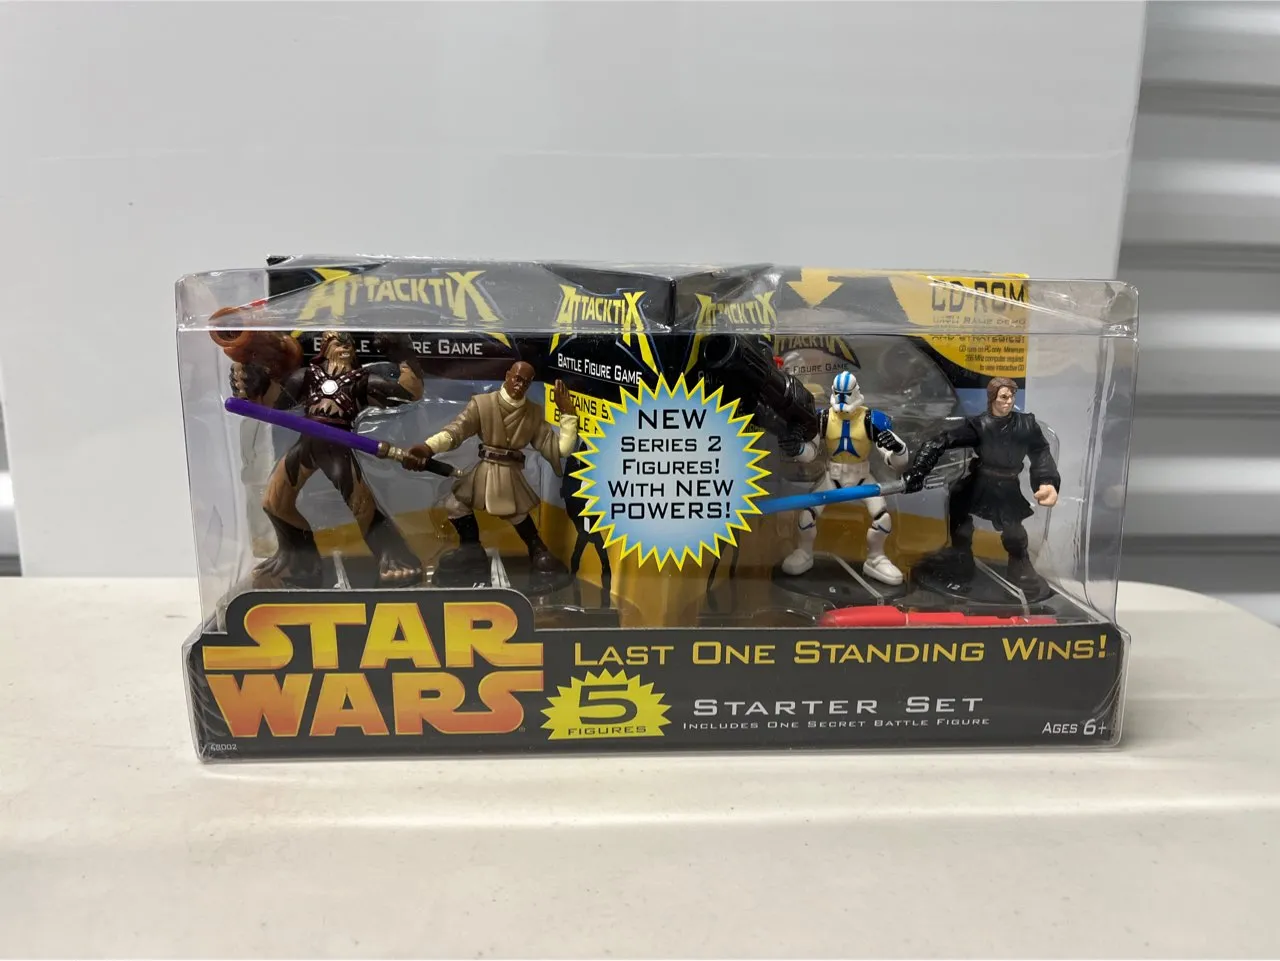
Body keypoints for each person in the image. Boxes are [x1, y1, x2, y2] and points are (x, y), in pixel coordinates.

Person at [232, 330, 425, 587]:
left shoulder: (362, 380)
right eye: (337, 343)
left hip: (338, 445)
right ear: (325, 348)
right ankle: (299, 563)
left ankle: (396, 559)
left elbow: (408, 393)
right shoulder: (307, 376)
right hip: (308, 442)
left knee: (362, 507)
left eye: (349, 344)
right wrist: (253, 383)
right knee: (273, 501)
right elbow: (275, 404)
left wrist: (403, 355)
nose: (345, 347)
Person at [404, 362, 578, 573]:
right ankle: (471, 549)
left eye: (526, 383)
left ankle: (538, 549)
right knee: (455, 504)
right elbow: (456, 431)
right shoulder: (482, 404)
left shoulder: (533, 413)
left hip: (508, 471)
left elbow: (560, 449)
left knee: (516, 512)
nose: (520, 385)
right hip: (485, 468)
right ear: (507, 376)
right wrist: (428, 447)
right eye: (517, 379)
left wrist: (568, 415)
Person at [903, 376, 1059, 592]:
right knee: (958, 504)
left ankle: (1020, 561)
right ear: (992, 398)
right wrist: (918, 471)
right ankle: (961, 555)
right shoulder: (979, 425)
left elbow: (1040, 451)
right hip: (981, 480)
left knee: (1013, 527)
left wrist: (1046, 481)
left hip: (1007, 484)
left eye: (1011, 396)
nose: (1009, 401)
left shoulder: (1026, 424)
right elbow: (941, 441)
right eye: (1003, 397)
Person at [780, 370, 909, 585]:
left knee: (882, 518)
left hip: (862, 477)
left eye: (846, 394)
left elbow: (895, 461)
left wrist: (898, 448)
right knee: (806, 516)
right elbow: (810, 453)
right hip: (832, 477)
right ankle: (804, 552)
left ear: (856, 392)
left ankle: (876, 558)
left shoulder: (870, 419)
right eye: (838, 393)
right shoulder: (823, 418)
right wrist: (797, 448)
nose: (842, 399)